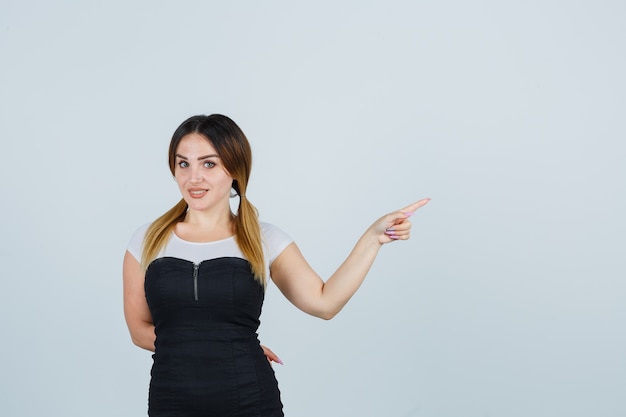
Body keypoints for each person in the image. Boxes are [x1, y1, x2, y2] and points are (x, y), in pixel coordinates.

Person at [123, 114, 429, 417]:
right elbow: (138, 330)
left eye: (209, 163)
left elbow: (324, 303)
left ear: (235, 169)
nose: (194, 178)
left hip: (250, 401)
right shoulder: (147, 240)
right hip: (172, 402)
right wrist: (211, 347)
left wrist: (372, 239)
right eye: (183, 164)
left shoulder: (264, 238)